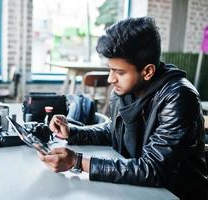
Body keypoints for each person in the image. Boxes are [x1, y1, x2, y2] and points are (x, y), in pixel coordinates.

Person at [38, 17, 208, 199]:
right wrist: (73, 132)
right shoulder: (126, 90)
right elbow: (114, 130)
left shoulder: (179, 97)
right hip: (138, 189)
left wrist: (77, 161)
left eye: (119, 72)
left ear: (148, 71)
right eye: (110, 69)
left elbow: (153, 169)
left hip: (176, 193)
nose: (111, 79)